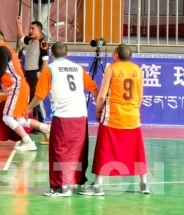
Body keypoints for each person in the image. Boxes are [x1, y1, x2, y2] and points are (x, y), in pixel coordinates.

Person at [27, 42, 98, 197]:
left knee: (60, 151)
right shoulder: (78, 68)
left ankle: (62, 187)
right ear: (67, 54)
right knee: (79, 150)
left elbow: (40, 95)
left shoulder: (50, 69)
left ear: (52, 54)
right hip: (81, 115)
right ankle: (80, 182)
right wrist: (100, 107)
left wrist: (28, 108)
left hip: (63, 116)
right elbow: (93, 89)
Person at [81, 44, 150, 196]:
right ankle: (144, 184)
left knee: (103, 148)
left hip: (113, 116)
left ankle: (98, 185)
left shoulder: (111, 69)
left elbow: (101, 95)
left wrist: (98, 111)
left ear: (117, 55)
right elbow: (140, 97)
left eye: (113, 52)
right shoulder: (138, 69)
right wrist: (133, 111)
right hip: (133, 116)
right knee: (137, 149)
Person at [0, 30, 42, 151]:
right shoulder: (7, 49)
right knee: (19, 119)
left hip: (17, 86)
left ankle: (28, 141)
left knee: (7, 117)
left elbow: (2, 71)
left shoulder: (2, 49)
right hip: (19, 87)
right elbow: (3, 74)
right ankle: (46, 129)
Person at [16, 16, 50, 134]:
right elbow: (21, 36)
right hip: (28, 74)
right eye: (29, 28)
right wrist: (18, 23)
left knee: (37, 98)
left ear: (39, 30)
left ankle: (43, 124)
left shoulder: (43, 43)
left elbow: (45, 60)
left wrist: (41, 75)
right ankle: (36, 125)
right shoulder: (30, 41)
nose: (30, 31)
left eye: (32, 29)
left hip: (36, 74)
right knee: (31, 99)